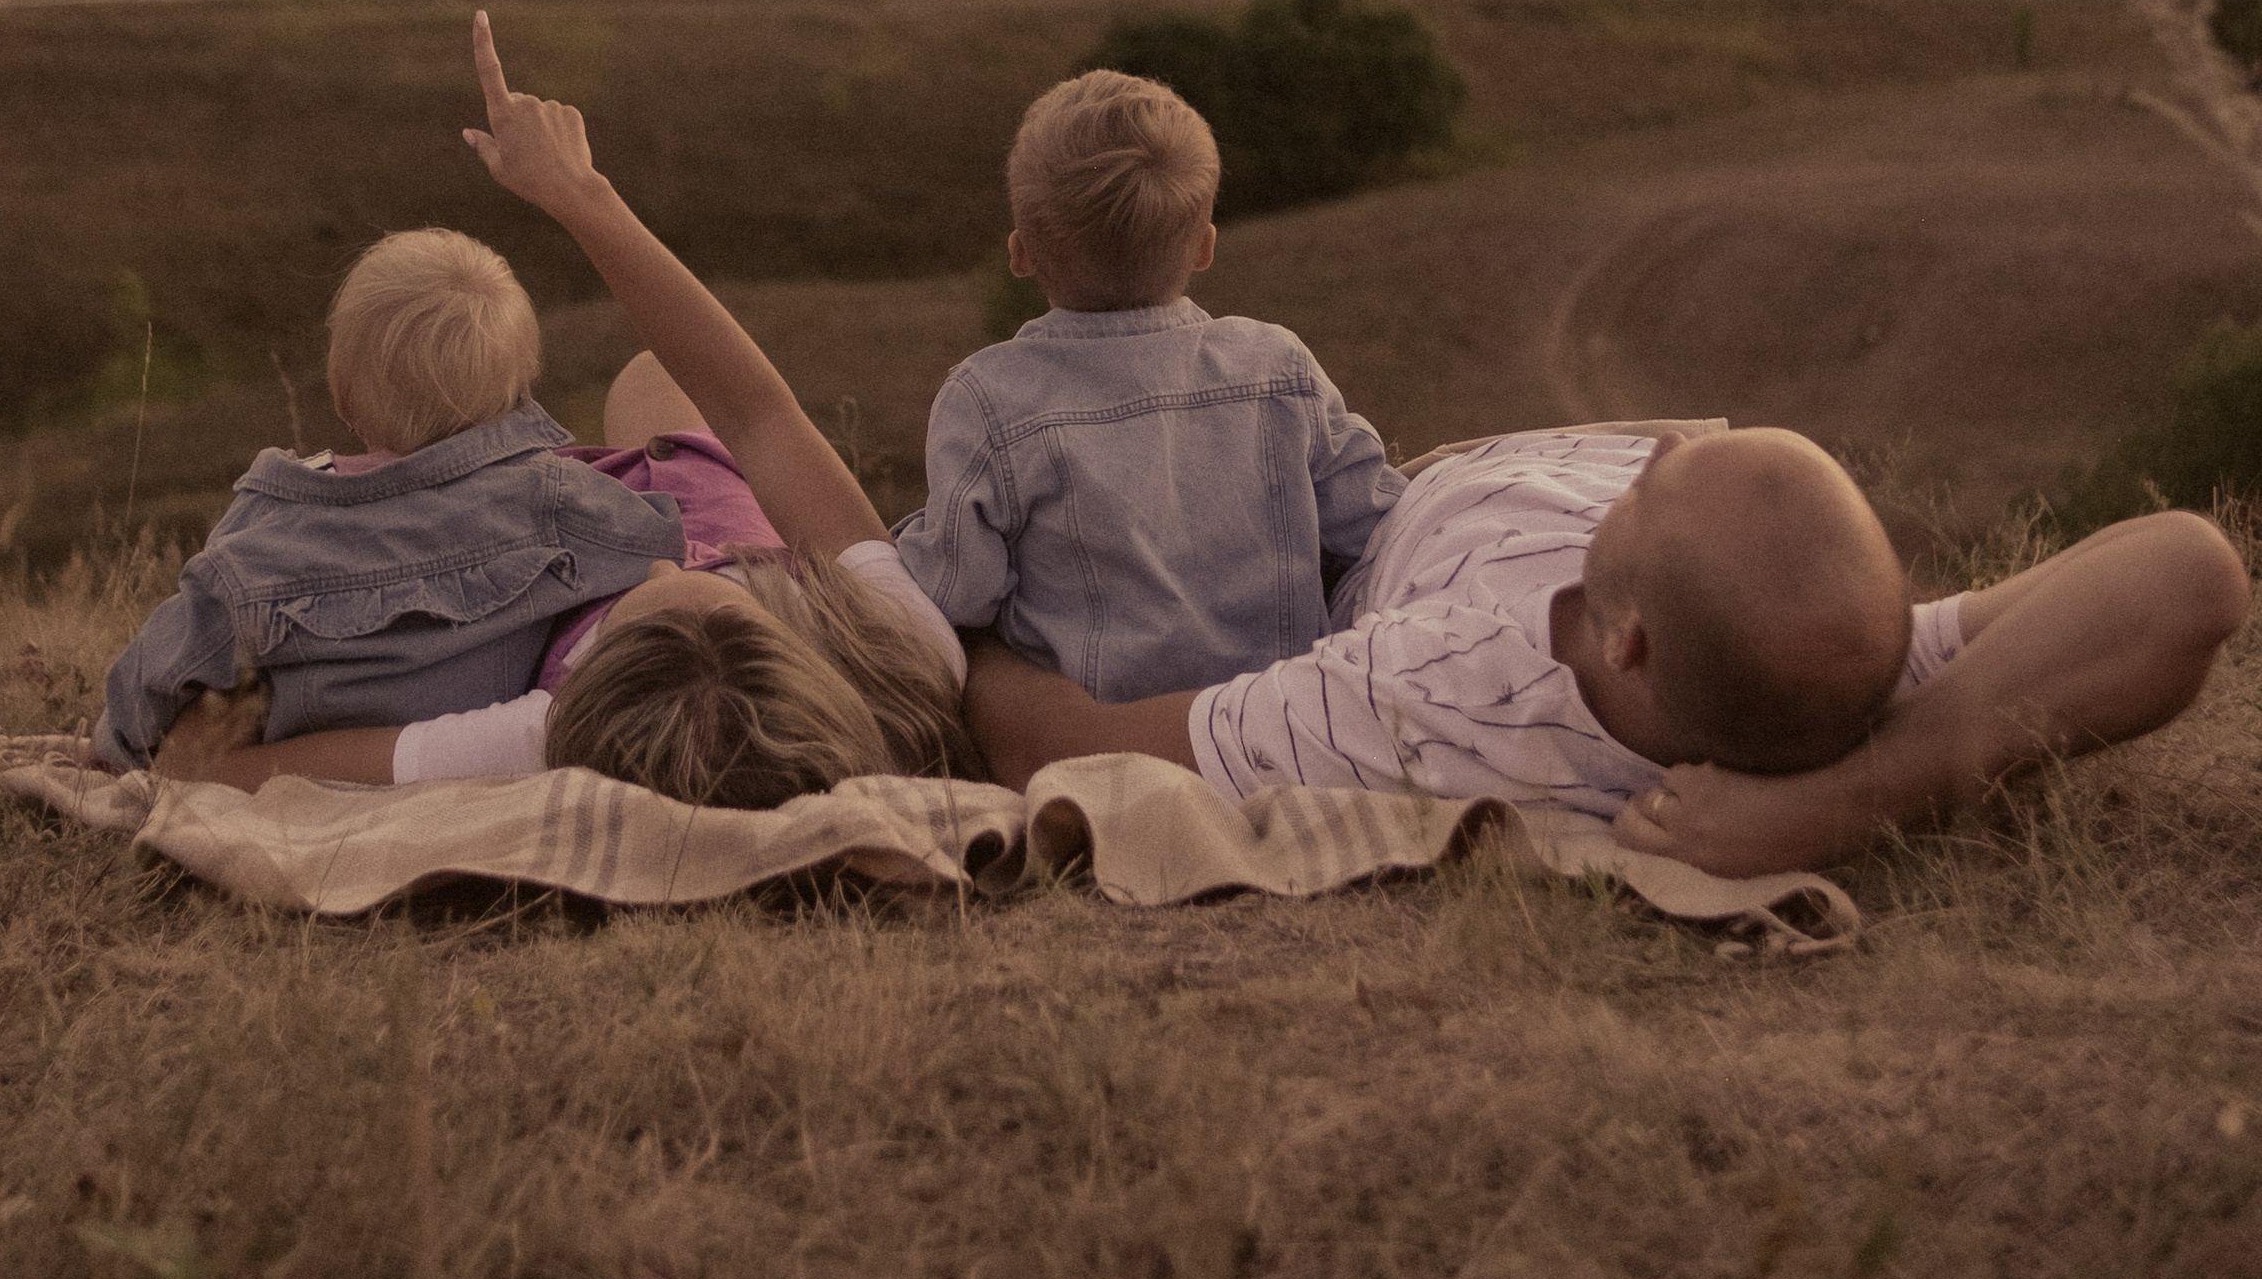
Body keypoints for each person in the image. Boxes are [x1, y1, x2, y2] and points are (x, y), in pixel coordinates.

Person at [155, 18, 981, 807]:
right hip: (716, 505)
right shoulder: (904, 651)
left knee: (488, 449)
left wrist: (214, 708)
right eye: (723, 607)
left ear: (597, 678)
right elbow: (753, 411)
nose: (669, 566)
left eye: (638, 605)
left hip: (535, 539)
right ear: (789, 646)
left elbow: (209, 772)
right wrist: (580, 196)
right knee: (652, 375)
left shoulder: (547, 735)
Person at [958, 419, 2249, 875]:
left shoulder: (1427, 699)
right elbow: (2189, 572)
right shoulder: (1843, 673)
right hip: (1511, 495)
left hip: (1386, 526)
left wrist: (943, 618)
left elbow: (1055, 749)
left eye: (1661, 486)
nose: (1666, 448)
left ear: (1618, 639)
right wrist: (1855, 798)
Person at [92, 224, 693, 769]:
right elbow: (663, 540)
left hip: (296, 751)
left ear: (344, 396)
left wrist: (116, 748)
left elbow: (161, 668)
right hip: (448, 747)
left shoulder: (265, 531)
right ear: (519, 387)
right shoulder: (558, 501)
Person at [887, 67, 1402, 696]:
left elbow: (956, 593)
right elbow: (1374, 519)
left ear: (1021, 254)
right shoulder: (1277, 366)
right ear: (1205, 247)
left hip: (1097, 738)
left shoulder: (988, 400)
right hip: (1268, 728)